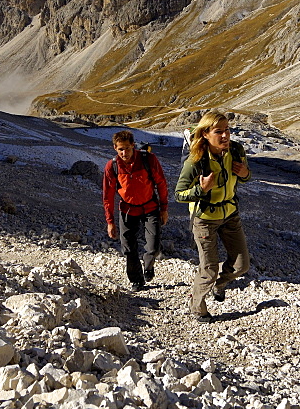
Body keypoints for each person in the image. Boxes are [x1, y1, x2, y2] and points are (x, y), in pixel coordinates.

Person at [175, 111, 251, 323]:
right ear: (206, 134)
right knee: (208, 269)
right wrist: (201, 189)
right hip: (205, 218)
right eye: (219, 131)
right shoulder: (196, 160)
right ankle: (197, 307)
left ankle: (219, 284)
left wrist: (245, 174)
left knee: (241, 265)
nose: (226, 135)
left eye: (227, 130)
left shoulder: (236, 150)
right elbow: (179, 194)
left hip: (230, 214)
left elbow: (244, 177)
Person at [103, 130, 169, 290]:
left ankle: (148, 265)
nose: (124, 153)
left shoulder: (148, 159)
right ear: (115, 148)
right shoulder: (112, 166)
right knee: (128, 248)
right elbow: (108, 195)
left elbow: (161, 183)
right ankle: (136, 280)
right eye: (120, 149)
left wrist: (164, 208)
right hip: (127, 210)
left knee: (153, 246)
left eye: (127, 148)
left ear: (133, 145)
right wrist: (110, 222)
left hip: (150, 207)